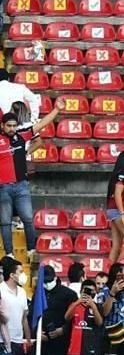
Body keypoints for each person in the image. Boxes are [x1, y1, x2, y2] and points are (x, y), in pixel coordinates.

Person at [0, 101, 63, 260]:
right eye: (9, 125)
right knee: (5, 222)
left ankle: (31, 250)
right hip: (3, 187)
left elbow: (42, 124)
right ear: (2, 126)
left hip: (22, 185)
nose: (12, 128)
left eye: (14, 125)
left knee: (28, 217)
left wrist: (56, 109)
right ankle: (9, 253)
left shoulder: (22, 135)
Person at [0, 258, 29, 355]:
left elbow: (24, 316)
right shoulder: (1, 290)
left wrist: (28, 337)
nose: (23, 275)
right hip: (3, 340)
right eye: (20, 272)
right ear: (12, 274)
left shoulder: (23, 292)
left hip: (18, 340)